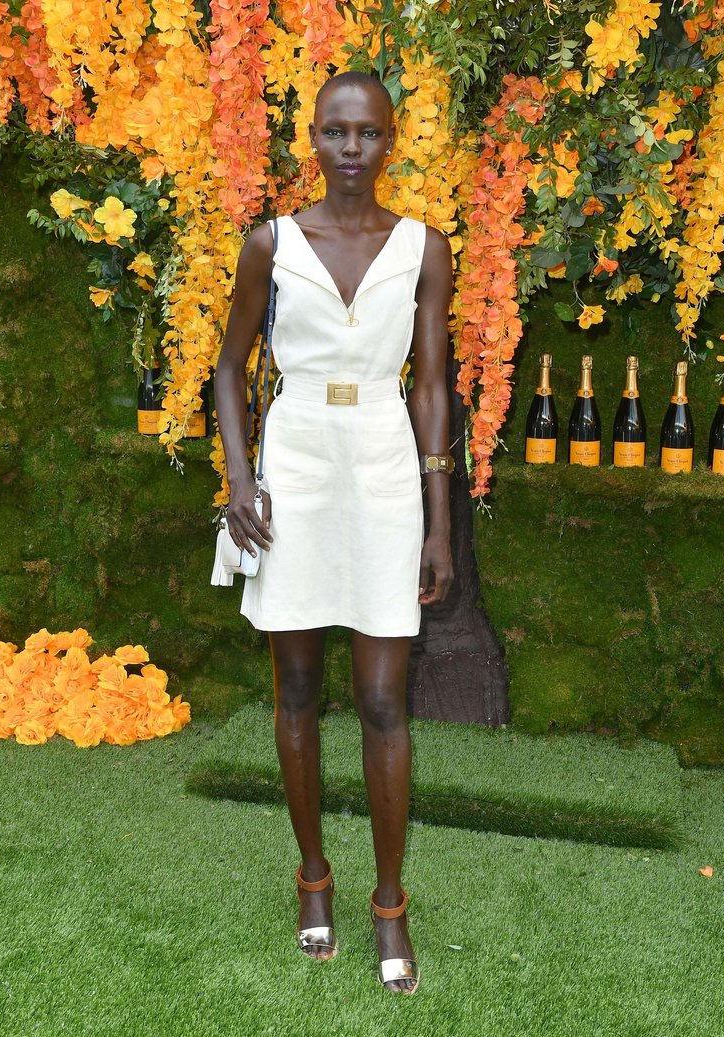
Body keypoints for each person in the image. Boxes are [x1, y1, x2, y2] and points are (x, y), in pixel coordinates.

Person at [213, 70, 454, 995]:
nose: (352, 149)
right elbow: (230, 370)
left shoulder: (424, 249)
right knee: (299, 686)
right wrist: (240, 479)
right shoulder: (270, 243)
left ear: (392, 142)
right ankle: (314, 878)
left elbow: (432, 389)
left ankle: (389, 900)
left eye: (369, 134)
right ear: (309, 138)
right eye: (335, 133)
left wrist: (439, 521)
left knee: (385, 697)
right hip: (298, 463)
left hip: (388, 465)